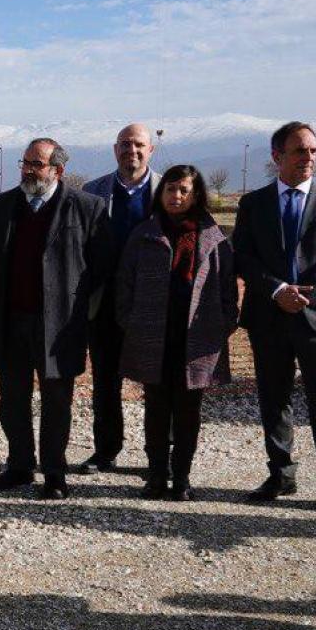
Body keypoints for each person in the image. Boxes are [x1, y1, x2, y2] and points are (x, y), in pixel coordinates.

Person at [232, 122, 316, 517]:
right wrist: (276, 290)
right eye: (299, 151)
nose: (308, 158)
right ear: (277, 157)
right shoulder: (253, 204)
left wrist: (305, 293)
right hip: (269, 317)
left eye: (312, 151)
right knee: (273, 399)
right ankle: (281, 474)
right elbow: (243, 255)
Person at [0, 138, 110, 500]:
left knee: (56, 401)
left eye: (36, 164)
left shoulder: (87, 206)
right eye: (25, 162)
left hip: (61, 326)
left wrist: (82, 317)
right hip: (12, 319)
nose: (27, 169)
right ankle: (20, 465)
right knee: (12, 399)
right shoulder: (4, 204)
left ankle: (55, 471)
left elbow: (101, 269)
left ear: (58, 170)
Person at [113, 165, 237, 500]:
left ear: (197, 195)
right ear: (161, 192)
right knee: (155, 407)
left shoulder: (213, 238)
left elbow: (228, 289)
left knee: (188, 411)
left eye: (184, 190)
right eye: (170, 189)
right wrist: (131, 321)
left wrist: (223, 325)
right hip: (154, 337)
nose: (176, 196)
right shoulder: (144, 234)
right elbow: (124, 284)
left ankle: (181, 477)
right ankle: (155, 476)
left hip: (196, 340)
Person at [79, 123, 161, 474]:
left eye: (139, 145)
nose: (132, 151)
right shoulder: (92, 192)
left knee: (157, 384)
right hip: (105, 304)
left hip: (152, 305)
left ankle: (159, 455)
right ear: (115, 150)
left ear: (151, 150)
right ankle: (106, 450)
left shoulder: (168, 191)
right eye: (125, 145)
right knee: (105, 382)